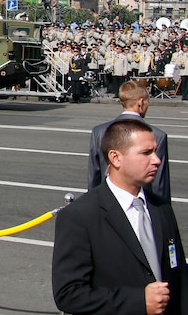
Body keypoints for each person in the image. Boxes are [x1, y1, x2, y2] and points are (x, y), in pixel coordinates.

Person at [53, 119, 188, 315]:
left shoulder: (161, 207)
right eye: (146, 153)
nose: (157, 160)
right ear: (116, 158)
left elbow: (178, 275)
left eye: (155, 151)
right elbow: (69, 294)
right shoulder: (80, 216)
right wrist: (138, 302)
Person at [88, 79, 170, 202]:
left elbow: (94, 176)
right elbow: (159, 183)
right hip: (141, 204)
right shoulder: (156, 135)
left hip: (106, 204)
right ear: (141, 103)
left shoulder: (99, 131)